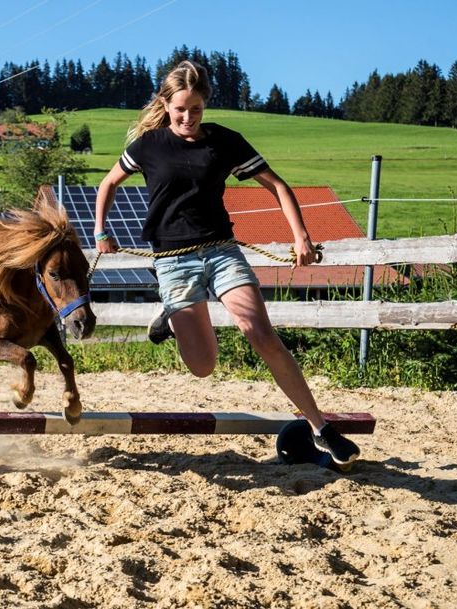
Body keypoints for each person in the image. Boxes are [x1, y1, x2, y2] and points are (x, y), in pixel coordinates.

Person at [93, 60, 359, 465]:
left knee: (260, 332)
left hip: (221, 251)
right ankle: (169, 309)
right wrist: (100, 232)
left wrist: (301, 234)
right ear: (165, 105)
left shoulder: (224, 142)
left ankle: (322, 428)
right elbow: (108, 183)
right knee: (202, 366)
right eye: (180, 109)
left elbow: (277, 185)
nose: (187, 117)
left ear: (205, 107)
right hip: (172, 261)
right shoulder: (148, 146)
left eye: (196, 109)